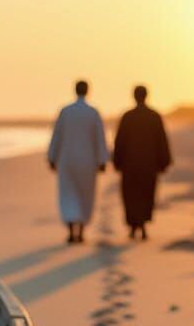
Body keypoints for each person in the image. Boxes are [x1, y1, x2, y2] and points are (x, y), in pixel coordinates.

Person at [47, 79, 108, 243]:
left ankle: (71, 229)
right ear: (87, 91)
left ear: (75, 90)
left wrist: (52, 157)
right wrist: (102, 160)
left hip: (67, 160)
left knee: (68, 194)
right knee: (85, 194)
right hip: (88, 161)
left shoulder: (66, 111)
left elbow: (56, 136)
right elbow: (100, 138)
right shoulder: (93, 113)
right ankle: (80, 230)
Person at [112, 85, 172, 240]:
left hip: (130, 165)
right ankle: (142, 226)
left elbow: (119, 142)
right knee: (146, 194)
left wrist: (117, 162)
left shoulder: (127, 117)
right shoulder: (154, 116)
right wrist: (163, 162)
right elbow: (162, 141)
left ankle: (133, 226)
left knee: (131, 195)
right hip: (148, 165)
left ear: (134, 96)